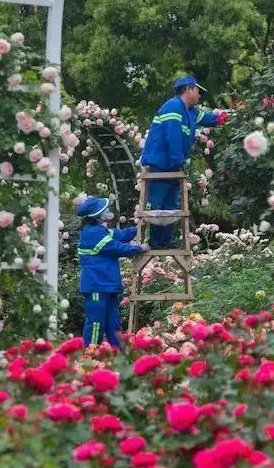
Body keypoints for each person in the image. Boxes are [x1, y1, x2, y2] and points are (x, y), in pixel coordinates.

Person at [139, 76, 229, 249]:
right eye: (197, 91)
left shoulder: (191, 112)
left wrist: (231, 115)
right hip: (160, 164)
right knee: (157, 205)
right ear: (188, 90)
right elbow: (171, 136)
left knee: (171, 205)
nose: (200, 96)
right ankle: (154, 242)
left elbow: (211, 119)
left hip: (172, 165)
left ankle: (164, 241)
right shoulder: (173, 107)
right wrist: (179, 160)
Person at [76, 195, 148, 349]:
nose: (108, 211)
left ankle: (119, 357)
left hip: (107, 285)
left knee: (113, 323)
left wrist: (139, 227)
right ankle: (91, 355)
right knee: (95, 323)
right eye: (105, 209)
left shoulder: (100, 230)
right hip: (97, 286)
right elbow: (116, 247)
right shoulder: (91, 234)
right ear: (97, 214)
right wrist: (138, 248)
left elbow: (120, 235)